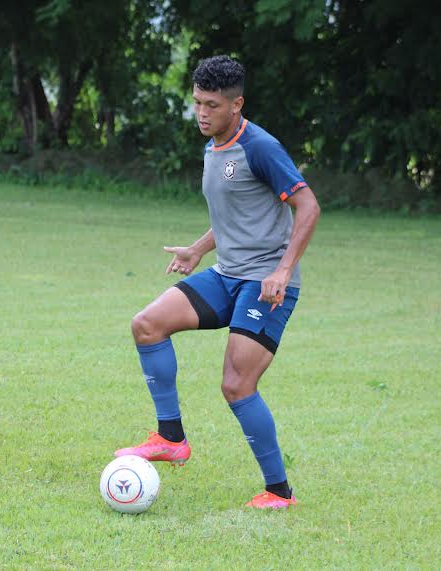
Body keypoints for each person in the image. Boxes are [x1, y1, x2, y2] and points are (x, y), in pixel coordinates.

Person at [115, 55, 320, 509]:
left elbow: (308, 207)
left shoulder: (260, 147)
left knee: (236, 385)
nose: (202, 113)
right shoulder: (214, 146)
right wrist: (198, 249)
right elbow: (238, 214)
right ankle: (171, 438)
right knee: (147, 325)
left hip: (265, 284)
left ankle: (279, 492)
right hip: (227, 274)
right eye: (197, 103)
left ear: (236, 104)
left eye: (211, 105)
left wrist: (283, 269)